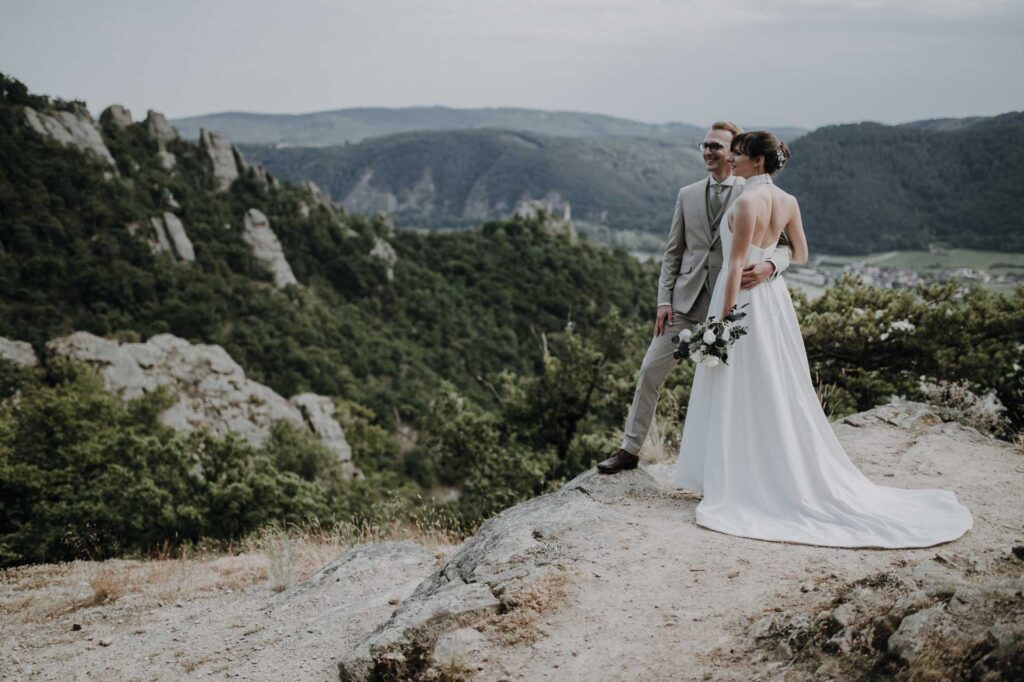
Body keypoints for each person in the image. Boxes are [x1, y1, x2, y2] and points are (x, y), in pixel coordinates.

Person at [673, 130, 973, 548]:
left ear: (758, 161)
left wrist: (719, 325)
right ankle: (756, 467)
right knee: (773, 383)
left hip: (740, 298)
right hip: (774, 302)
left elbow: (736, 265)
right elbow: (800, 254)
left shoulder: (745, 202)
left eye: (740, 155)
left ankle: (738, 475)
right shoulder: (788, 202)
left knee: (738, 383)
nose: (734, 160)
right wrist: (773, 268)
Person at [597, 122, 791, 474]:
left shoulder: (753, 192)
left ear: (735, 153)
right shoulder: (686, 194)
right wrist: (663, 301)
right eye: (704, 145)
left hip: (735, 308)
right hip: (685, 305)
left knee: (735, 388)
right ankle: (629, 449)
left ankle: (736, 464)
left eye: (717, 146)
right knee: (649, 371)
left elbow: (785, 245)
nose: (708, 151)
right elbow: (673, 253)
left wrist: (771, 267)